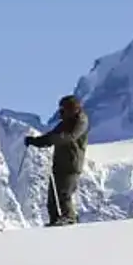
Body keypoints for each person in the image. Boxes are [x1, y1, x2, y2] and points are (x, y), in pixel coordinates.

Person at [25, 95, 89, 227]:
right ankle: (55, 220)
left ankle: (69, 217)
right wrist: (35, 141)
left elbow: (69, 137)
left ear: (72, 109)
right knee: (52, 197)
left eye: (63, 109)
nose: (61, 113)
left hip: (72, 164)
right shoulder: (65, 123)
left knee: (64, 194)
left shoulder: (81, 122)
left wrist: (52, 138)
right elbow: (50, 137)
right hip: (59, 163)